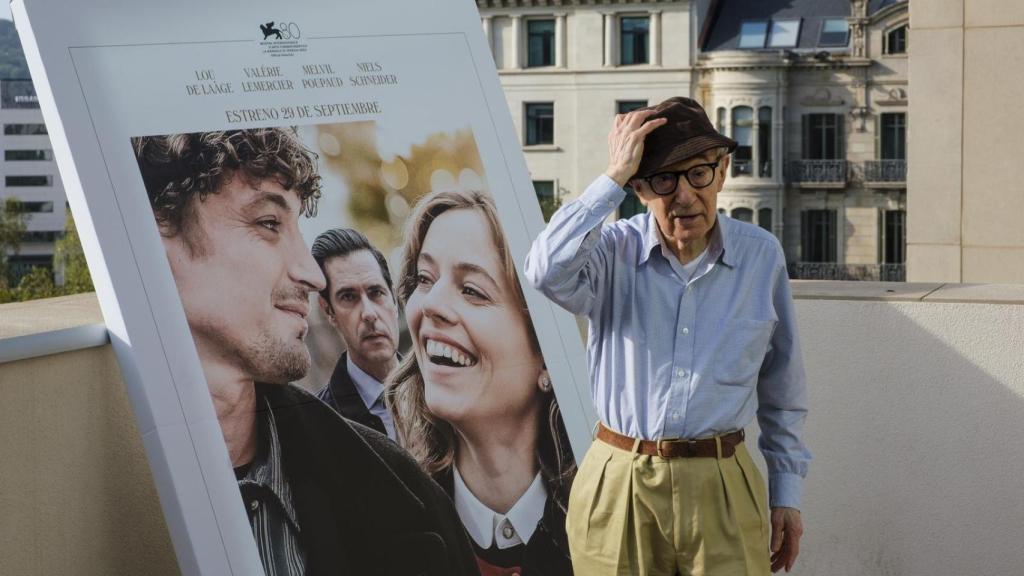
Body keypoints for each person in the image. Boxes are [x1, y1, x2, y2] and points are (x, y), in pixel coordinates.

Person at [132, 128, 479, 576]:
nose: (312, 274)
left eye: (378, 293)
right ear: (157, 236)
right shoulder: (79, 486)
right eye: (268, 223)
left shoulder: (397, 487)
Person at [524, 97, 811, 575]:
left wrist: (788, 493)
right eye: (664, 179)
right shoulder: (612, 251)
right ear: (640, 188)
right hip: (620, 481)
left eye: (698, 173)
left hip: (723, 483)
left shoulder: (761, 256)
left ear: (721, 172)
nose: (684, 195)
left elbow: (782, 389)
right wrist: (611, 177)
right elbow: (543, 270)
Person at [388, 189, 576, 576]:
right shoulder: (385, 525)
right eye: (424, 278)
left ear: (548, 357)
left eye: (472, 290)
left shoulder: (611, 526)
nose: (431, 305)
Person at [311, 228, 401, 440]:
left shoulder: (439, 390)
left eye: (376, 293)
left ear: (394, 300)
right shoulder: (318, 425)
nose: (369, 314)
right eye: (349, 297)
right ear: (329, 311)